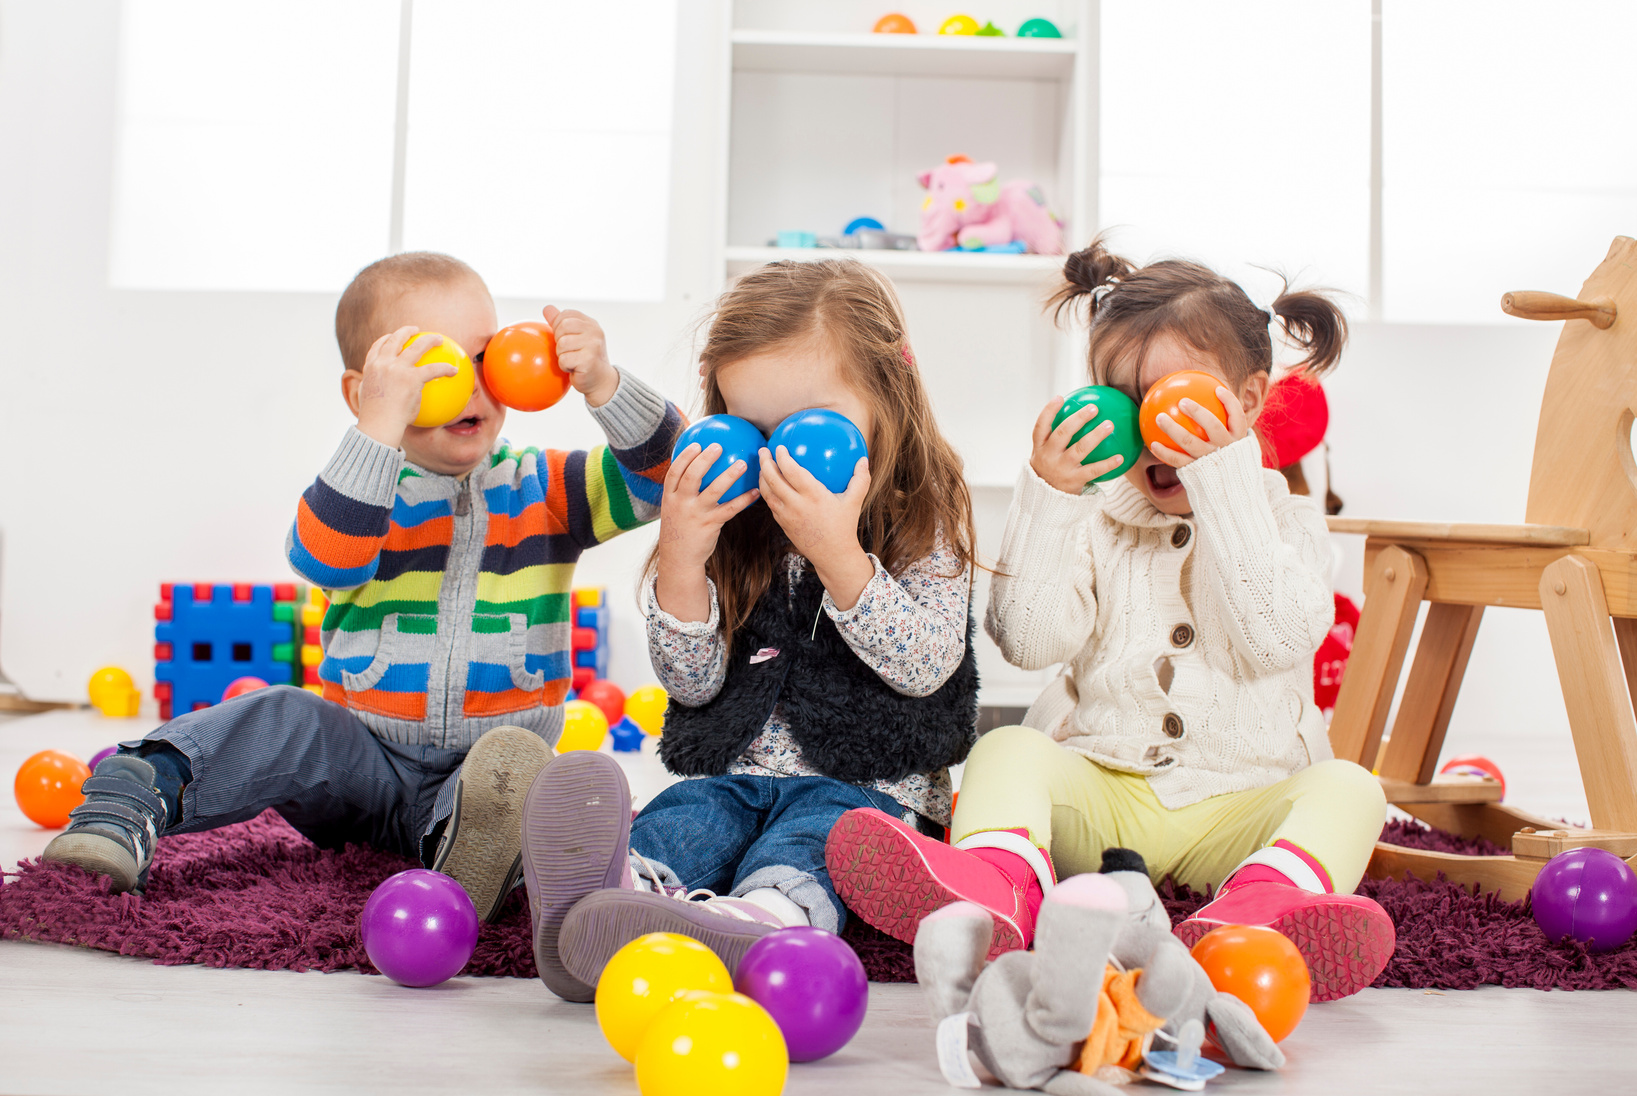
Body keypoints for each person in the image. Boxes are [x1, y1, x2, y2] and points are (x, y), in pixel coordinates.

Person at [825, 238, 1393, 1002]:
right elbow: (1027, 642)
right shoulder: (1095, 520)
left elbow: (1275, 639)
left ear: (1249, 402)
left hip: (1241, 806)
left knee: (1351, 789)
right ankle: (997, 887)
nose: (1150, 429)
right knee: (1007, 751)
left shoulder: (1281, 520)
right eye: (1123, 401)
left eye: (1177, 399)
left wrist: (1223, 480)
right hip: (1105, 797)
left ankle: (1258, 909)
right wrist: (1049, 498)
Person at [44, 252, 681, 925]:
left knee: (520, 774)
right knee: (282, 713)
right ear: (365, 392)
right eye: (433, 369)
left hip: (476, 782)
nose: (468, 386)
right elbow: (325, 558)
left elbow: (663, 476)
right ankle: (129, 799)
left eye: (485, 357)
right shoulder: (363, 492)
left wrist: (606, 385)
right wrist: (377, 430)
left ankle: (469, 854)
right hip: (361, 767)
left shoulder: (545, 489)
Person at [517, 259, 980, 1001]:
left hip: (865, 785)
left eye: (808, 429)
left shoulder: (922, 515)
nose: (771, 458)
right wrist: (681, 558)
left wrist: (839, 556)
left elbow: (927, 667)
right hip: (736, 777)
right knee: (684, 816)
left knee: (819, 839)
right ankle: (608, 900)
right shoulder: (732, 518)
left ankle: (761, 919)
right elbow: (693, 685)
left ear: (886, 395)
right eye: (748, 428)